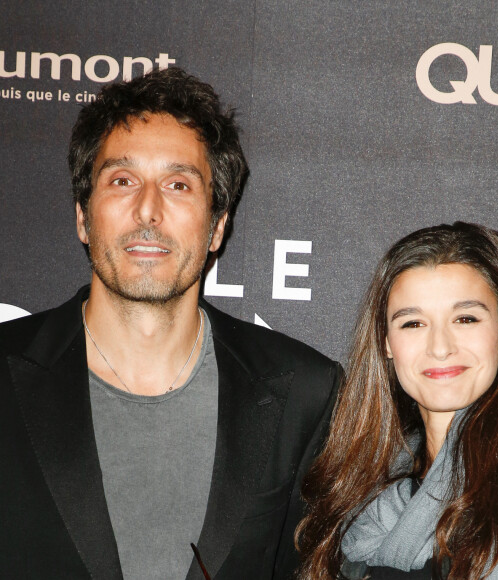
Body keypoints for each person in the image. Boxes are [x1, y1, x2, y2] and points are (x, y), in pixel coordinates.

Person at [0, 67, 340, 580]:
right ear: (81, 217)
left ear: (217, 225)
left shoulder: (304, 393)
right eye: (122, 180)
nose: (148, 210)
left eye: (178, 184)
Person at [296, 222, 498, 579]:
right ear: (386, 342)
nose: (440, 347)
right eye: (413, 323)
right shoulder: (359, 482)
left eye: (465, 318)